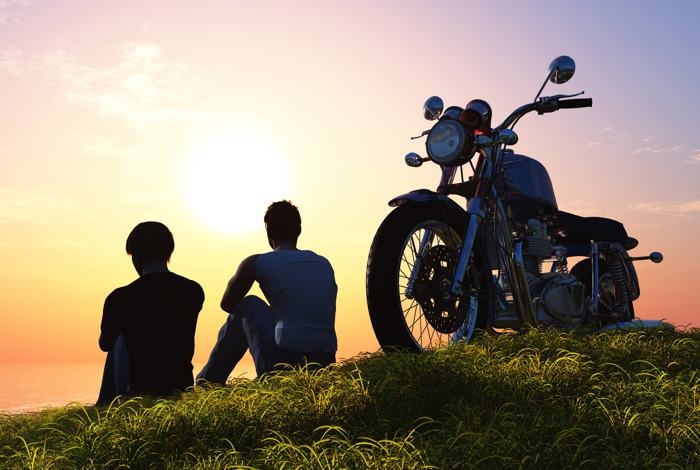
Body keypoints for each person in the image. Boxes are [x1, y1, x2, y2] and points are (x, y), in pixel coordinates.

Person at [198, 200, 337, 383]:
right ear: (299, 230)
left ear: (268, 231)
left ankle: (207, 382)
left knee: (248, 305)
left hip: (281, 367)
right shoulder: (323, 262)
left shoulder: (257, 262)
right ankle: (207, 380)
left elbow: (228, 304)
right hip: (325, 363)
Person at [97, 221, 204, 403]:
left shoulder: (120, 297)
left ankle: (105, 405)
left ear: (136, 256)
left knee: (118, 336)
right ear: (169, 252)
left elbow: (104, 344)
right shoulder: (193, 290)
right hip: (181, 387)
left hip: (137, 391)